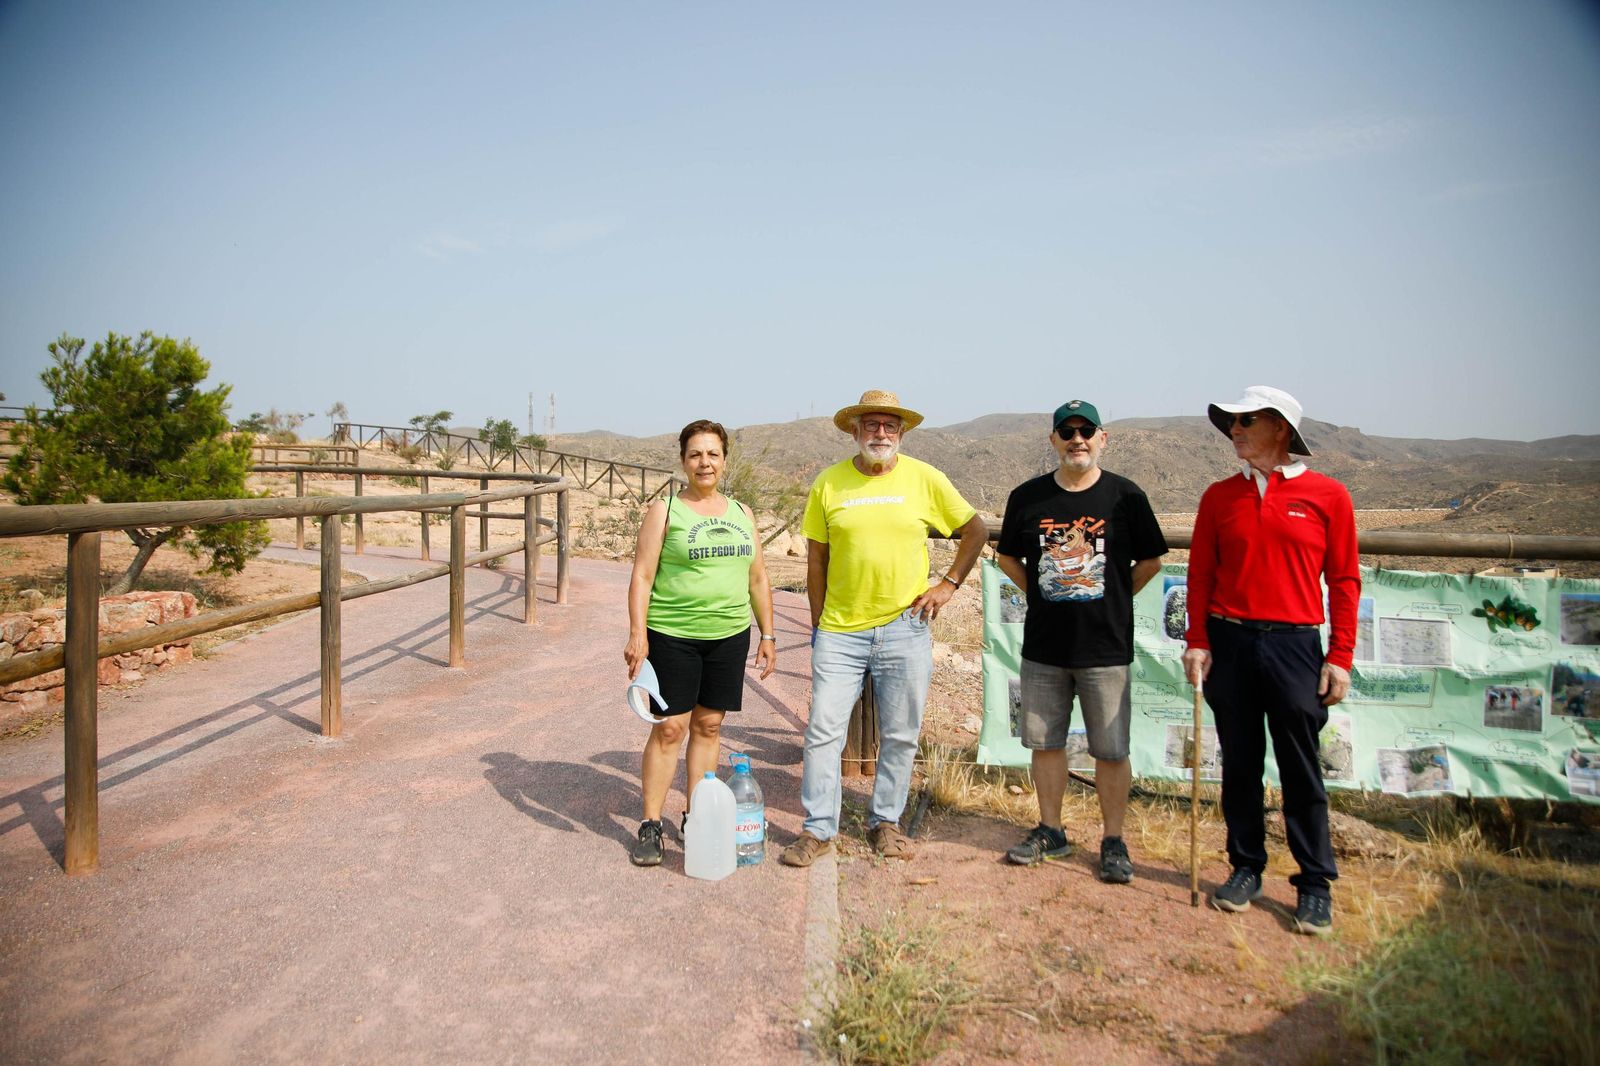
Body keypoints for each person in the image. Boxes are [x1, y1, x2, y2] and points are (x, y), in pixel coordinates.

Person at [779, 390, 989, 867]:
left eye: (889, 426)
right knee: (823, 732)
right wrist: (818, 625)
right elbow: (817, 559)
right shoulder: (829, 484)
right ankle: (817, 831)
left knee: (900, 734)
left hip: (905, 627)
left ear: (900, 433)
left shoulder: (924, 478)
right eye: (871, 425)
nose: (880, 433)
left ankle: (886, 823)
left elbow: (974, 529)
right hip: (839, 632)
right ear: (854, 431)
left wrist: (948, 584)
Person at [1181, 386, 1359, 936]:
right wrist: (1197, 639)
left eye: (1245, 420)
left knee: (1301, 768)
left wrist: (1341, 656)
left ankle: (1313, 885)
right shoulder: (1218, 497)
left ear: (1280, 429)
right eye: (1231, 421)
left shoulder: (1330, 496)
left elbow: (1344, 580)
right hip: (1230, 644)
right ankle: (1245, 868)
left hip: (1295, 646)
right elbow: (1201, 575)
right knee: (1239, 763)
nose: (1234, 429)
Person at [995, 400, 1167, 882]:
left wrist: (1111, 595)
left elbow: (1151, 560)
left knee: (1110, 749)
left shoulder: (1126, 496)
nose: (1077, 439)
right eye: (1066, 432)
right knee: (1045, 744)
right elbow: (1007, 556)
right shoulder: (1026, 498)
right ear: (1053, 440)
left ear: (1102, 437)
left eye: (1086, 430)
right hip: (1044, 648)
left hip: (1105, 648)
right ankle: (1051, 830)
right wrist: (1044, 592)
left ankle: (1114, 841)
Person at [623, 419, 777, 867]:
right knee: (670, 728)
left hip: (729, 636)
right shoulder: (666, 510)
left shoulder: (742, 513)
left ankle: (697, 816)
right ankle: (651, 824)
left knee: (709, 728)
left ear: (724, 460)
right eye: (695, 454)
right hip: (673, 636)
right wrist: (637, 633)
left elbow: (758, 577)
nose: (704, 462)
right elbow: (642, 576)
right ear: (683, 461)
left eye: (712, 454)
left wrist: (767, 633)